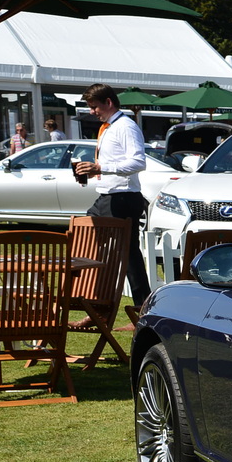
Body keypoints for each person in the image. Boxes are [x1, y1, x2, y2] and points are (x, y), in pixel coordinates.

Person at [73, 83, 150, 308]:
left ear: (108, 102)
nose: (91, 112)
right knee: (87, 237)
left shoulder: (125, 126)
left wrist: (100, 168)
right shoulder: (109, 126)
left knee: (127, 256)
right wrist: (93, 171)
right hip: (108, 195)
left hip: (122, 198)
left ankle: (110, 306)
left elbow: (138, 162)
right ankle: (99, 303)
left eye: (94, 107)